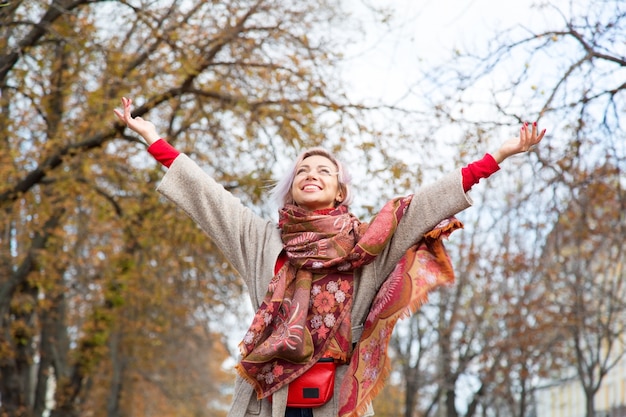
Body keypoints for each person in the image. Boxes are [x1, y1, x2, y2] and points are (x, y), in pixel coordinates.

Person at [114, 97, 546, 417]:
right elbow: (207, 197)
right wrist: (154, 139)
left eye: (323, 170)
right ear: (291, 187)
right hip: (267, 401)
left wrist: (497, 157)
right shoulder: (263, 240)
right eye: (302, 170)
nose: (311, 175)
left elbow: (425, 206)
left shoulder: (369, 244)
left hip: (338, 398)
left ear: (340, 191)